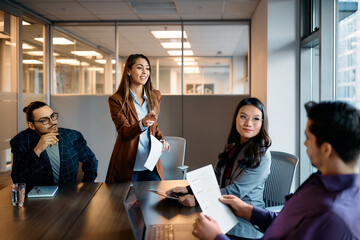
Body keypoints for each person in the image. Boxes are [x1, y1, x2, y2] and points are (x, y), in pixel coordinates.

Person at [193, 101, 360, 240]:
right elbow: (288, 220)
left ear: (326, 149)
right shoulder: (320, 181)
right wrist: (250, 211)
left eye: (308, 138)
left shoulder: (333, 216)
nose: (305, 144)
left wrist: (216, 237)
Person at [167, 97, 272, 239]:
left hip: (244, 225)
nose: (248, 123)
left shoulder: (262, 156)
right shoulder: (233, 146)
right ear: (236, 118)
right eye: (243, 117)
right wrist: (188, 189)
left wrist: (197, 199)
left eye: (256, 119)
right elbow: (214, 178)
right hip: (220, 215)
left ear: (262, 123)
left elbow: (235, 192)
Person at [106, 54, 170, 183]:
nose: (145, 72)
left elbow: (154, 126)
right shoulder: (117, 100)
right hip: (129, 163)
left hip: (150, 162)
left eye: (147, 68)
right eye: (140, 67)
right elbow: (124, 132)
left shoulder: (155, 96)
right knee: (126, 201)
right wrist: (142, 123)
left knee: (156, 200)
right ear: (128, 71)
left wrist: (162, 140)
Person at [11, 101, 98, 191]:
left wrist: (87, 187)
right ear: (31, 125)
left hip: (69, 195)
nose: (52, 122)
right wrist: (37, 150)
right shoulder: (20, 141)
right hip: (38, 198)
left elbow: (91, 161)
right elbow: (18, 179)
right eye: (44, 120)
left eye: (52, 116)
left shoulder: (73, 136)